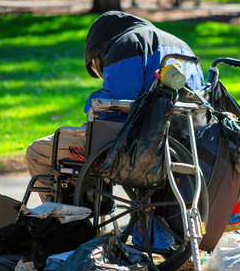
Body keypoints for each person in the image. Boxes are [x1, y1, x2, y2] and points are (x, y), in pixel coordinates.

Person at [25, 11, 204, 202]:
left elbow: (113, 109)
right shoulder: (182, 45)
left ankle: (63, 222)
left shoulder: (128, 44)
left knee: (36, 151)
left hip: (140, 145)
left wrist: (91, 103)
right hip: (186, 139)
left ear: (98, 55)